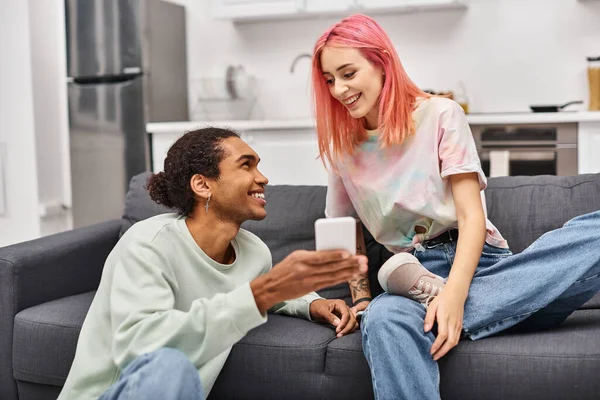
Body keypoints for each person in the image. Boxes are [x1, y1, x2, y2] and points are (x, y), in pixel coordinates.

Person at [311, 13, 600, 399]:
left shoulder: (440, 115)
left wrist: (453, 296)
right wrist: (362, 299)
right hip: (413, 276)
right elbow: (344, 233)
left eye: (348, 73)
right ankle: (475, 308)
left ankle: (466, 304)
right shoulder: (342, 150)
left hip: (484, 267)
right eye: (329, 80)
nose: (339, 89)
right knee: (383, 316)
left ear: (381, 61)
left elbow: (470, 216)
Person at [57, 127, 368, 400]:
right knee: (170, 366)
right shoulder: (148, 244)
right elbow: (143, 346)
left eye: (258, 165)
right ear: (203, 185)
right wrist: (260, 294)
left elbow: (264, 287)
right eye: (246, 166)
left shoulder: (253, 252)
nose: (262, 177)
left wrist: (312, 304)